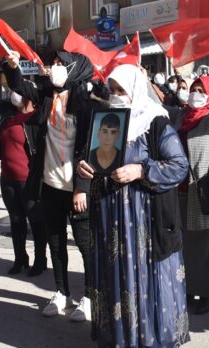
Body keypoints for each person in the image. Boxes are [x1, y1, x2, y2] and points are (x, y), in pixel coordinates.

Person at [76, 63, 190, 347]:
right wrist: (84, 168)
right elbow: (95, 158)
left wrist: (141, 170)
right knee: (116, 281)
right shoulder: (106, 121)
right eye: (112, 90)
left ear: (136, 90)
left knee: (145, 284)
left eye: (121, 90)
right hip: (110, 224)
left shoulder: (155, 122)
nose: (116, 96)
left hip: (145, 227)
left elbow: (179, 166)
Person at [6, 51, 105, 322]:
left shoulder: (88, 102)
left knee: (85, 244)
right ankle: (62, 293)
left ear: (76, 69)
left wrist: (82, 187)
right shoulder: (48, 94)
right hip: (49, 183)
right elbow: (21, 87)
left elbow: (91, 148)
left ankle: (90, 296)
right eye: (55, 63)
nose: (55, 68)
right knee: (55, 241)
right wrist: (13, 67)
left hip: (77, 187)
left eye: (62, 64)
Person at [162, 52, 209, 315]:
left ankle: (206, 293)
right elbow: (154, 104)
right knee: (188, 247)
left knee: (207, 247)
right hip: (179, 192)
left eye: (202, 90)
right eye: (194, 89)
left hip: (206, 192)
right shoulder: (181, 116)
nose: (196, 94)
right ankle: (189, 289)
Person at [0, 51, 48, 276]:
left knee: (36, 221)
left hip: (29, 180)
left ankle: (40, 260)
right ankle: (20, 258)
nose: (13, 94)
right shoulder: (8, 112)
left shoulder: (38, 116)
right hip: (8, 179)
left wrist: (14, 68)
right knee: (16, 220)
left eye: (18, 91)